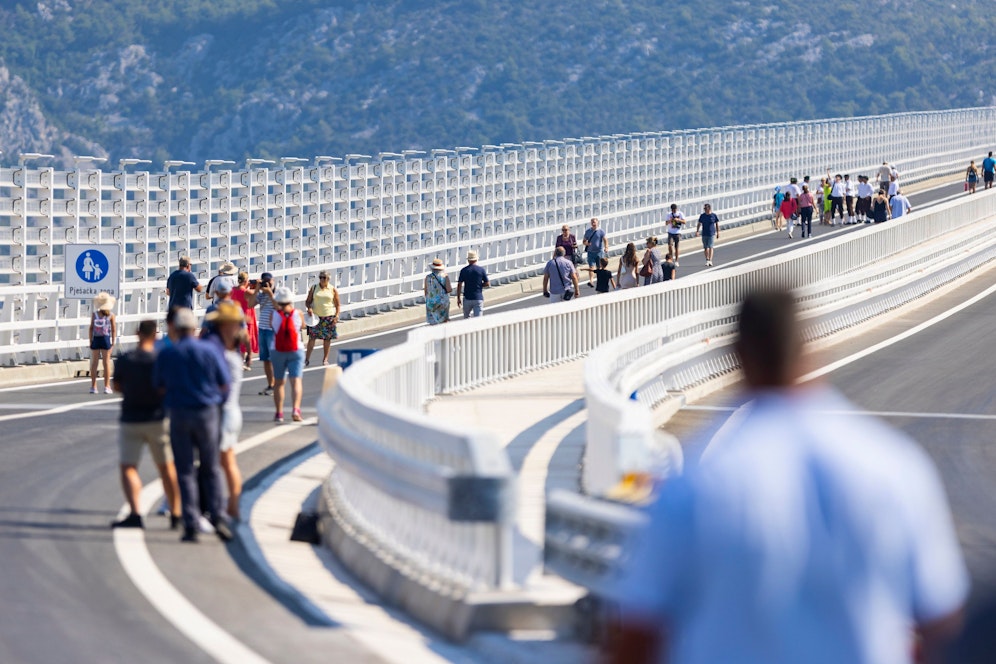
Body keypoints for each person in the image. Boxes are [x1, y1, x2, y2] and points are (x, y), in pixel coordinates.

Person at [609, 289, 968, 664]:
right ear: (809, 351)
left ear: (739, 357)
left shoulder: (694, 487)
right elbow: (942, 622)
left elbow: (639, 633)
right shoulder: (895, 467)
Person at [153, 308, 233, 544]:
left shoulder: (168, 353)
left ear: (176, 329)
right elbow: (224, 384)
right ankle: (217, 517)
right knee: (211, 468)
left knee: (185, 470)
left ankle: (191, 524)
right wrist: (216, 405)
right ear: (195, 328)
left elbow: (157, 385)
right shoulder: (208, 350)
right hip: (207, 413)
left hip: (179, 413)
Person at [110, 320, 182, 530]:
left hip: (131, 418)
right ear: (156, 336)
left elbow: (116, 386)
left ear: (137, 333)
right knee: (167, 467)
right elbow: (168, 387)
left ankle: (135, 513)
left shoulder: (125, 359)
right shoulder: (161, 359)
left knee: (128, 467)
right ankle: (176, 514)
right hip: (158, 418)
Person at [203, 302, 246, 520]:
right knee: (227, 461)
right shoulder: (234, 357)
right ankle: (232, 505)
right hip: (232, 412)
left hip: (224, 413)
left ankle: (232, 506)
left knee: (224, 463)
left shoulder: (227, 358)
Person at [270, 287, 305, 423]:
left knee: (279, 383)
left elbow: (272, 327)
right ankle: (296, 410)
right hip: (296, 349)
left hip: (277, 350)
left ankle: (279, 413)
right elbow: (302, 326)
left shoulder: (274, 314)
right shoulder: (298, 313)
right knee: (296, 381)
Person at [304, 270, 340, 366]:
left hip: (328, 316)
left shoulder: (332, 289)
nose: (322, 279)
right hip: (316, 317)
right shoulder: (314, 288)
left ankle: (325, 359)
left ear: (328, 279)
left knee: (327, 339)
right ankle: (306, 359)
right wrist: (309, 308)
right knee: (312, 338)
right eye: (320, 277)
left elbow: (337, 305)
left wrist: (336, 316)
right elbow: (308, 301)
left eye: (324, 277)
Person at [89, 292, 116, 394]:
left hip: (96, 338)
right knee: (106, 363)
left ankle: (93, 386)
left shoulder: (94, 314)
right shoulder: (111, 315)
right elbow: (113, 329)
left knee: (94, 363)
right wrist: (113, 342)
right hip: (105, 339)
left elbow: (91, 328)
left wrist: (90, 340)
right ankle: (107, 386)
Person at [255, 272, 277, 396]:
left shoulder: (278, 293)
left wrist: (270, 293)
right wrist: (257, 290)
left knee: (273, 359)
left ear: (273, 280)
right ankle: (270, 384)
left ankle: (276, 385)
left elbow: (279, 307)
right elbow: (250, 304)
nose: (267, 283)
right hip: (262, 329)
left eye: (269, 281)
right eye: (265, 281)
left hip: (272, 329)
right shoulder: (261, 294)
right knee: (265, 359)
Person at [231, 272, 259, 370]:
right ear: (246, 281)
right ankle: (241, 362)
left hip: (236, 316)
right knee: (246, 340)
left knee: (238, 340)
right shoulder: (245, 292)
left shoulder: (233, 290)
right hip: (247, 316)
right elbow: (256, 294)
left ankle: (239, 361)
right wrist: (258, 286)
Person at [456, 250, 489, 318]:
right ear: (476, 259)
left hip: (467, 298)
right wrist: (479, 286)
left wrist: (458, 298)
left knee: (466, 318)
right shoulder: (481, 270)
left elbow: (459, 284)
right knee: (478, 320)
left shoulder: (464, 270)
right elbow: (487, 283)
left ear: (468, 260)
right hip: (478, 297)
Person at [423, 258, 453, 325]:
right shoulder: (445, 276)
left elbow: (426, 291)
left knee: (433, 322)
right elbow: (449, 289)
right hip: (442, 301)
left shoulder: (428, 277)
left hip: (431, 302)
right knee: (443, 321)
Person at [583, 218, 608, 286]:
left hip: (599, 252)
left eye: (594, 222)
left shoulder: (601, 231)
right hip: (590, 252)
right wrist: (586, 243)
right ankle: (591, 281)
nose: (593, 223)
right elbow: (584, 241)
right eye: (592, 222)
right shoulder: (588, 231)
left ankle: (600, 280)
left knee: (599, 267)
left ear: (597, 223)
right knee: (591, 267)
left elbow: (605, 239)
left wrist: (606, 247)